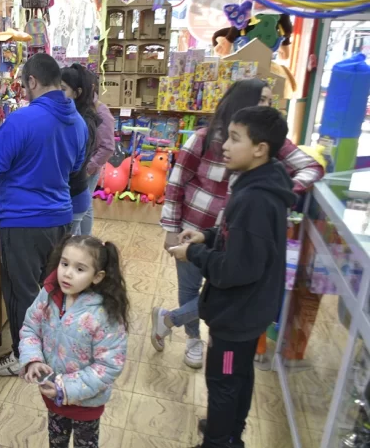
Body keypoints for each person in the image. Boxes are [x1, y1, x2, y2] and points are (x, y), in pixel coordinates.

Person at [152, 79, 324, 369]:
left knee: (221, 297)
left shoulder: (266, 146)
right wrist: (171, 229)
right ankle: (193, 338)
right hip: (196, 229)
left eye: (270, 100)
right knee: (191, 288)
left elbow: (312, 167)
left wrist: (276, 190)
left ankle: (170, 319)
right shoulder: (204, 138)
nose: (269, 106)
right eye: (264, 100)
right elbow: (176, 183)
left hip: (234, 238)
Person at [168, 106, 295, 448]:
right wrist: (206, 237)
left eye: (235, 138)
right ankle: (229, 431)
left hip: (238, 314)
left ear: (260, 149)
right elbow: (240, 242)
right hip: (249, 310)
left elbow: (238, 269)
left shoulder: (255, 199)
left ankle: (219, 440)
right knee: (238, 374)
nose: (224, 145)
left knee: (223, 378)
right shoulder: (260, 182)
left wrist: (192, 254)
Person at [0, 53, 88, 376]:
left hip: (23, 219)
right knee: (51, 287)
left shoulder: (23, 119)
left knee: (22, 291)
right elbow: (76, 166)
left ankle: (22, 355)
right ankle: (50, 344)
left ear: (32, 81)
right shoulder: (78, 121)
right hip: (60, 216)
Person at [19, 235, 129, 448]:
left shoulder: (104, 315)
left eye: (80, 269)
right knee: (56, 442)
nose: (67, 273)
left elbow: (108, 366)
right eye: (64, 263)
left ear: (97, 276)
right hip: (53, 397)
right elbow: (31, 328)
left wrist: (65, 388)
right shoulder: (48, 294)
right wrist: (33, 360)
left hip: (86, 404)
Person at [60, 64, 98, 235]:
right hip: (67, 194)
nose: (56, 94)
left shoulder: (83, 122)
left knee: (63, 250)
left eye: (62, 89)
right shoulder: (68, 116)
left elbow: (74, 164)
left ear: (77, 93)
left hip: (72, 195)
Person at [82, 74, 115, 236]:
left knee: (85, 203)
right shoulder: (83, 107)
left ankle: (84, 241)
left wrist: (89, 167)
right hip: (80, 166)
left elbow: (108, 147)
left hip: (89, 167)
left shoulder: (101, 111)